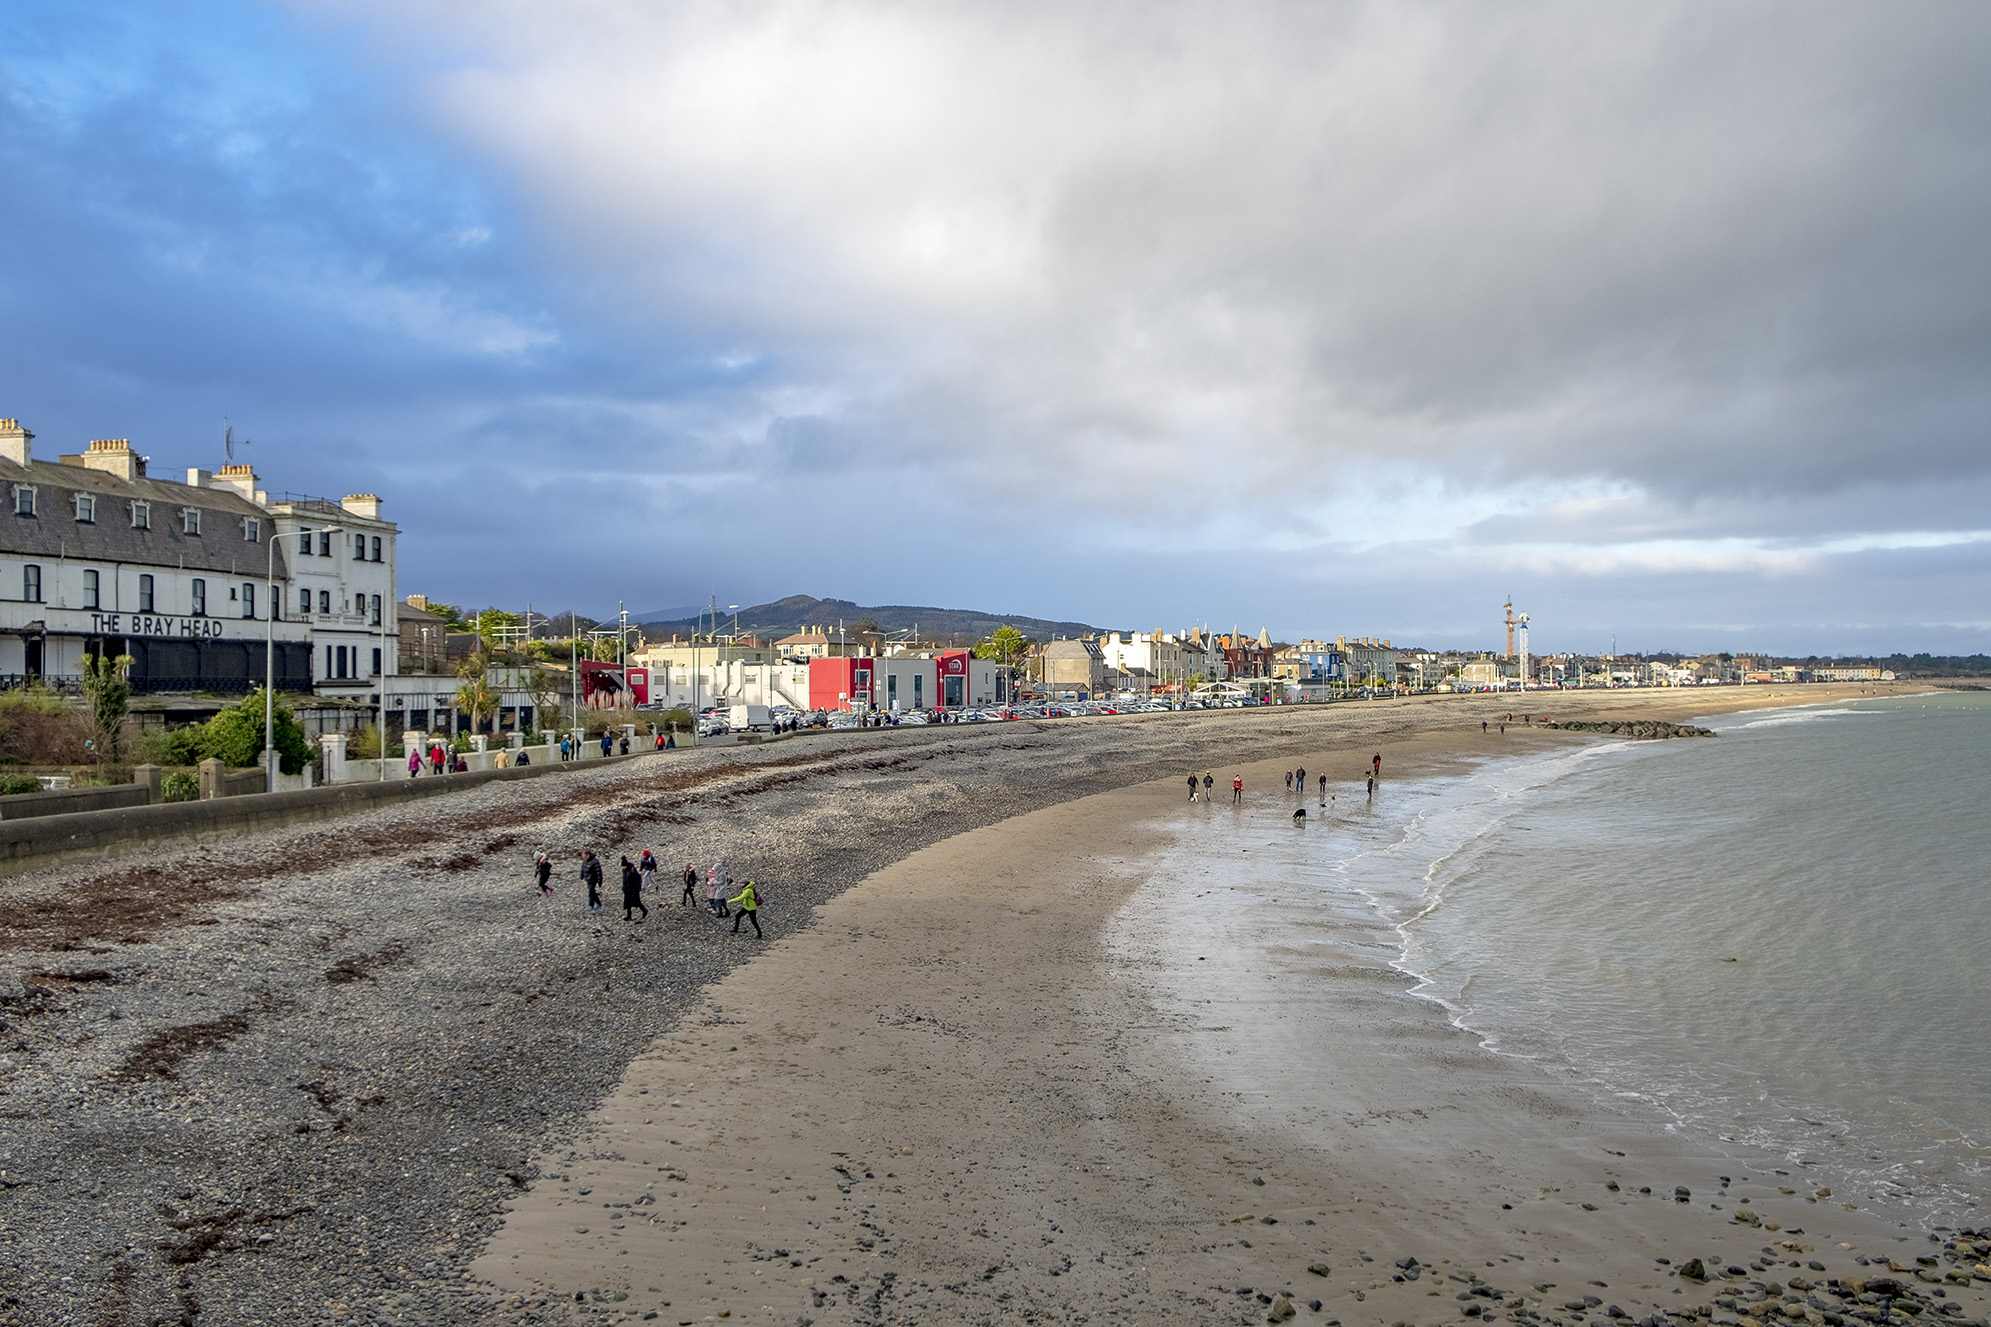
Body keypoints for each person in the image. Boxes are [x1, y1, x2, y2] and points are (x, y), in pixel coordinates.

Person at [620, 856, 648, 921]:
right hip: (627, 889)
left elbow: (637, 879)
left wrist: (638, 888)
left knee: (637, 902)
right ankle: (629, 916)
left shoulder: (632, 870)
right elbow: (624, 880)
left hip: (633, 889)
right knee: (628, 903)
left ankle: (644, 910)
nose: (623, 867)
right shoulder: (624, 870)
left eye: (624, 866)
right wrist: (623, 887)